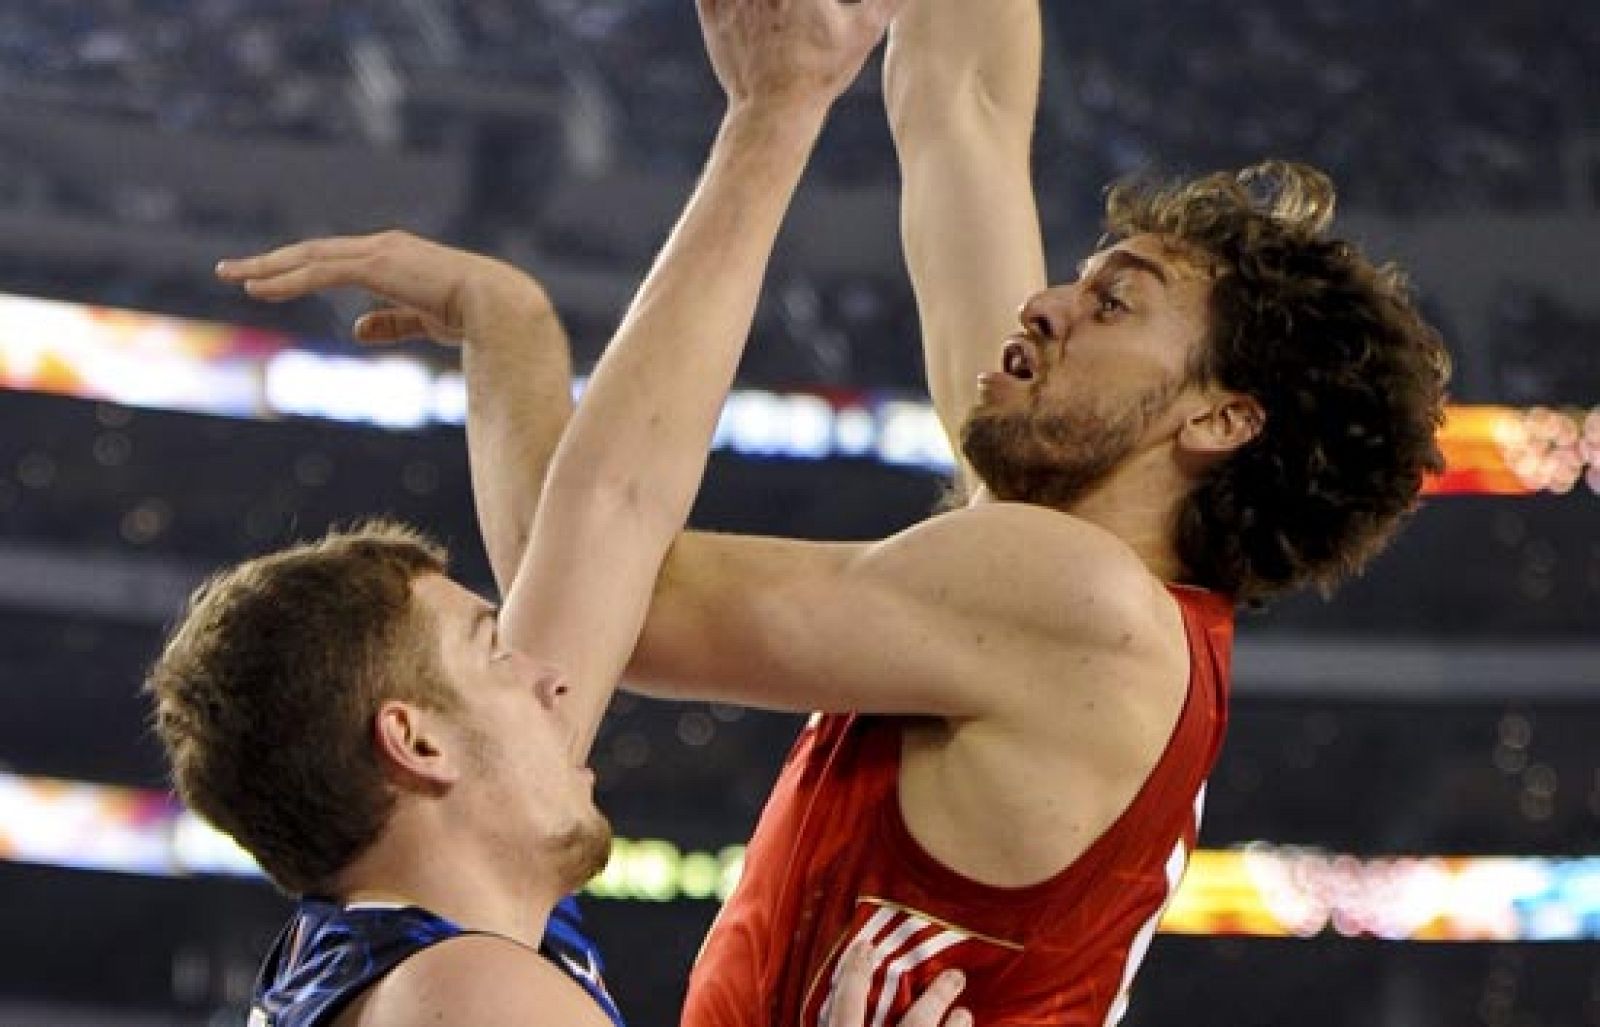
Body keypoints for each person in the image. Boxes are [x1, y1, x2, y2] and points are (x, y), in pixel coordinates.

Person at [238, 3, 1450, 1026]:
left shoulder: (1077, 606)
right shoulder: (1061, 595)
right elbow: (962, 115)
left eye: (1114, 304)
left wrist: (522, 331)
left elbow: (607, 584)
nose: (1044, 305)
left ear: (1219, 420)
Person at [147, 0, 974, 1024]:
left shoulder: (393, 952)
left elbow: (611, 515)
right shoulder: (471, 992)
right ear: (415, 741)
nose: (552, 675)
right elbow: (601, 526)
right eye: (496, 651)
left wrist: (772, 113)